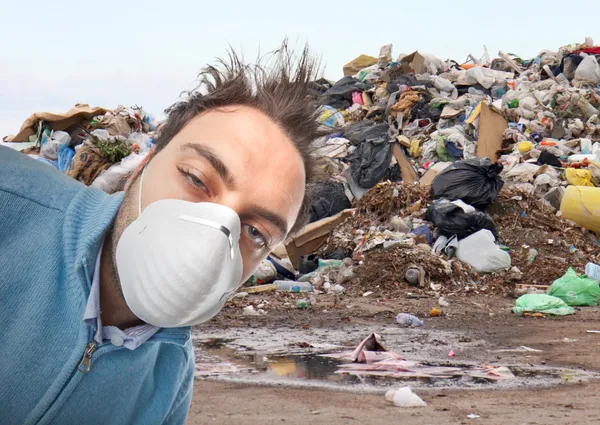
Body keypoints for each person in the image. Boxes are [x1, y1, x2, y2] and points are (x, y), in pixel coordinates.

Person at [0, 44, 325, 425]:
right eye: (196, 179)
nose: (215, 232)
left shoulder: (169, 385)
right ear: (143, 167)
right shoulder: (10, 205)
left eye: (255, 232)